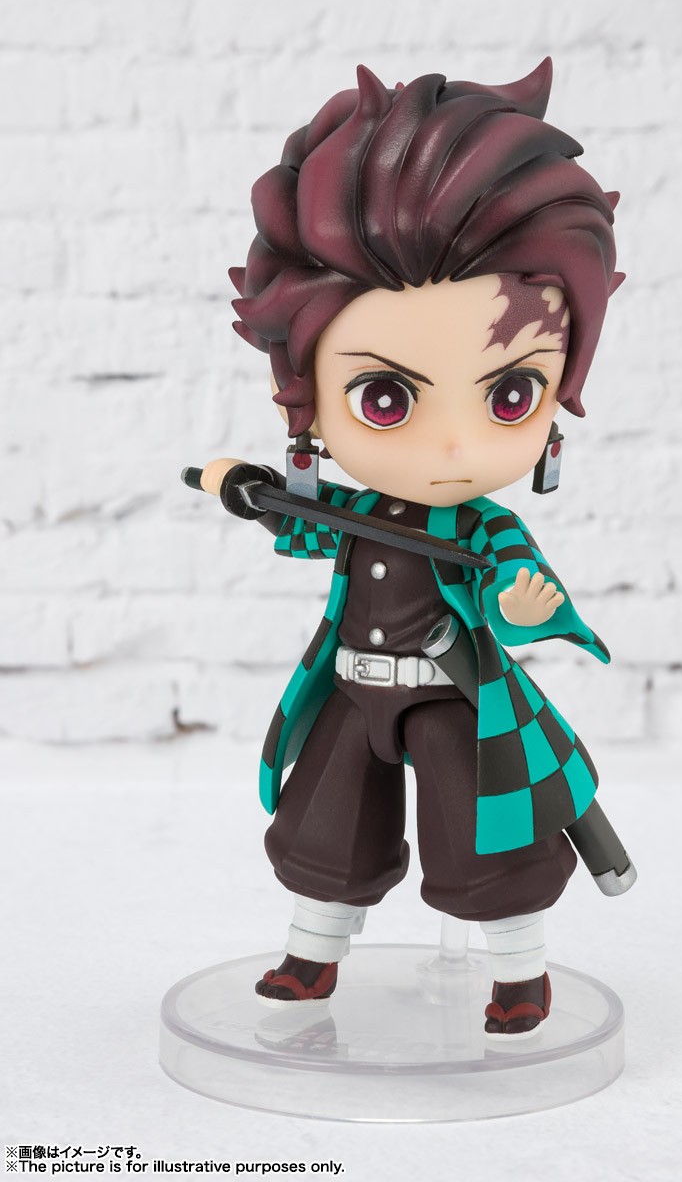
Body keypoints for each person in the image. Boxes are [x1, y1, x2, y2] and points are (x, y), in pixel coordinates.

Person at [198, 59, 626, 1037]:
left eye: (509, 393)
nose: (451, 447)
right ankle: (311, 956)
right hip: (352, 688)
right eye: (385, 397)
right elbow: (302, 521)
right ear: (306, 395)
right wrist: (247, 491)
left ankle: (518, 973)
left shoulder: (476, 527)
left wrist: (521, 604)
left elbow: (518, 577)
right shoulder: (354, 510)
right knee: (324, 828)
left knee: (486, 842)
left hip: (453, 698)